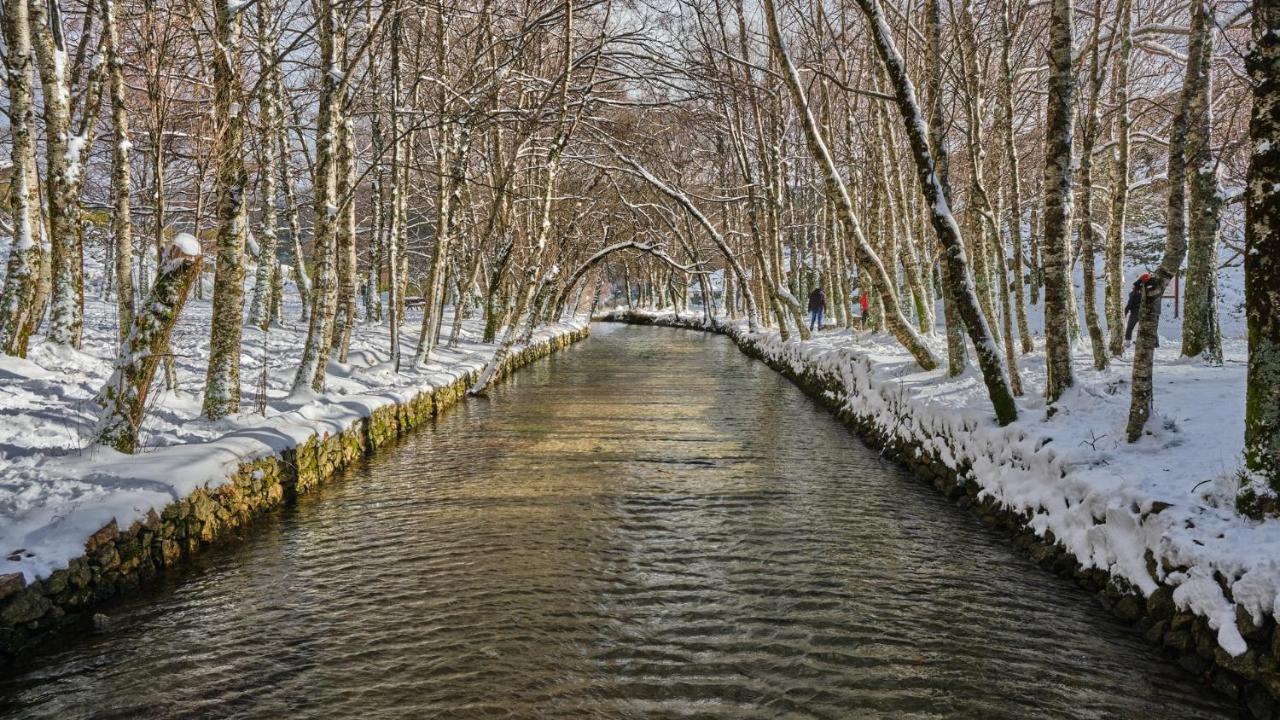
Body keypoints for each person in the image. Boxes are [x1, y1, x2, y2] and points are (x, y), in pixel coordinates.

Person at [1124, 272, 1151, 343]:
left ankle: (1128, 341)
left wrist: (1125, 313)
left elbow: (1129, 304)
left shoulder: (1136, 292)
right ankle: (1133, 341)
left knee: (1130, 327)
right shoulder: (1145, 290)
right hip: (1144, 312)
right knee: (1144, 328)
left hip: (1136, 312)